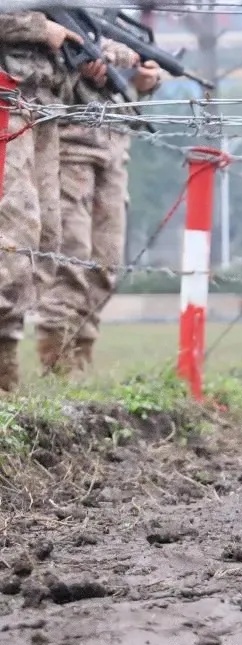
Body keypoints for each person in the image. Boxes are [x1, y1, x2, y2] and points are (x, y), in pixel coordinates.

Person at [36, 37, 163, 375]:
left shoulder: (110, 12)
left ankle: (81, 356)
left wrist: (144, 76)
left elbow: (132, 64)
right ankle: (57, 365)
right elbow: (34, 54)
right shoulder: (50, 12)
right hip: (67, 140)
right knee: (70, 257)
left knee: (107, 262)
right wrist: (93, 59)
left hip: (114, 142)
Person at [0, 11, 89, 392]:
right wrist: (38, 28)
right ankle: (4, 372)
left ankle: (8, 362)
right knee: (13, 238)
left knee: (44, 241)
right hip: (7, 100)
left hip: (42, 106)